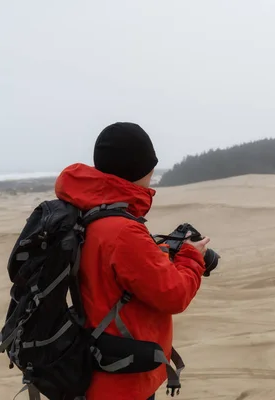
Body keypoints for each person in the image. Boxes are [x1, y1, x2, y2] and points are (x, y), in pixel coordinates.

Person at [54, 122, 209, 399]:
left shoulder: (86, 211)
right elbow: (174, 294)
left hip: (94, 367)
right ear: (138, 170)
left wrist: (159, 253)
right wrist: (192, 256)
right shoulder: (123, 230)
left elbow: (112, 268)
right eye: (150, 169)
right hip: (120, 381)